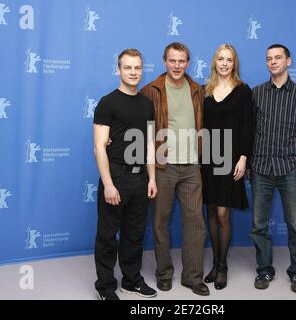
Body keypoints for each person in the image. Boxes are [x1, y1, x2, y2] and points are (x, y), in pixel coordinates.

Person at [141, 42, 209, 296]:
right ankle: (164, 274)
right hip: (163, 165)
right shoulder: (151, 90)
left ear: (188, 63)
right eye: (172, 60)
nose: (177, 66)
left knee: (195, 222)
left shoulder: (197, 90)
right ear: (164, 61)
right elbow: (136, 121)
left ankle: (193, 277)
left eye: (181, 61)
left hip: (192, 166)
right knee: (160, 222)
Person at [250, 44, 296, 294]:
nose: (273, 62)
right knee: (258, 225)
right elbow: (250, 131)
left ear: (288, 61)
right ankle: (264, 270)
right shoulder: (256, 93)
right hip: (261, 168)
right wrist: (248, 163)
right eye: (268, 58)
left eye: (278, 58)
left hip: (290, 168)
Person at [93, 48, 158, 300]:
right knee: (108, 236)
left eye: (137, 68)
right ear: (119, 69)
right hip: (116, 177)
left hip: (140, 177)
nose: (133, 72)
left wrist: (151, 178)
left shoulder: (146, 104)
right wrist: (108, 184)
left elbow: (150, 144)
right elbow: (99, 146)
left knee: (134, 234)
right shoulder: (107, 102)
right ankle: (106, 287)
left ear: (142, 70)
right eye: (128, 67)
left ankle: (132, 280)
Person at [201, 44, 252, 290]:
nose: (224, 63)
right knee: (211, 210)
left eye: (229, 60)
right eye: (220, 59)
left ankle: (223, 266)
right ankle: (214, 262)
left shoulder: (243, 91)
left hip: (231, 158)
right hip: (209, 158)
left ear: (234, 63)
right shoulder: (204, 90)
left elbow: (247, 126)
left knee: (223, 213)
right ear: (215, 62)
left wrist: (243, 158)